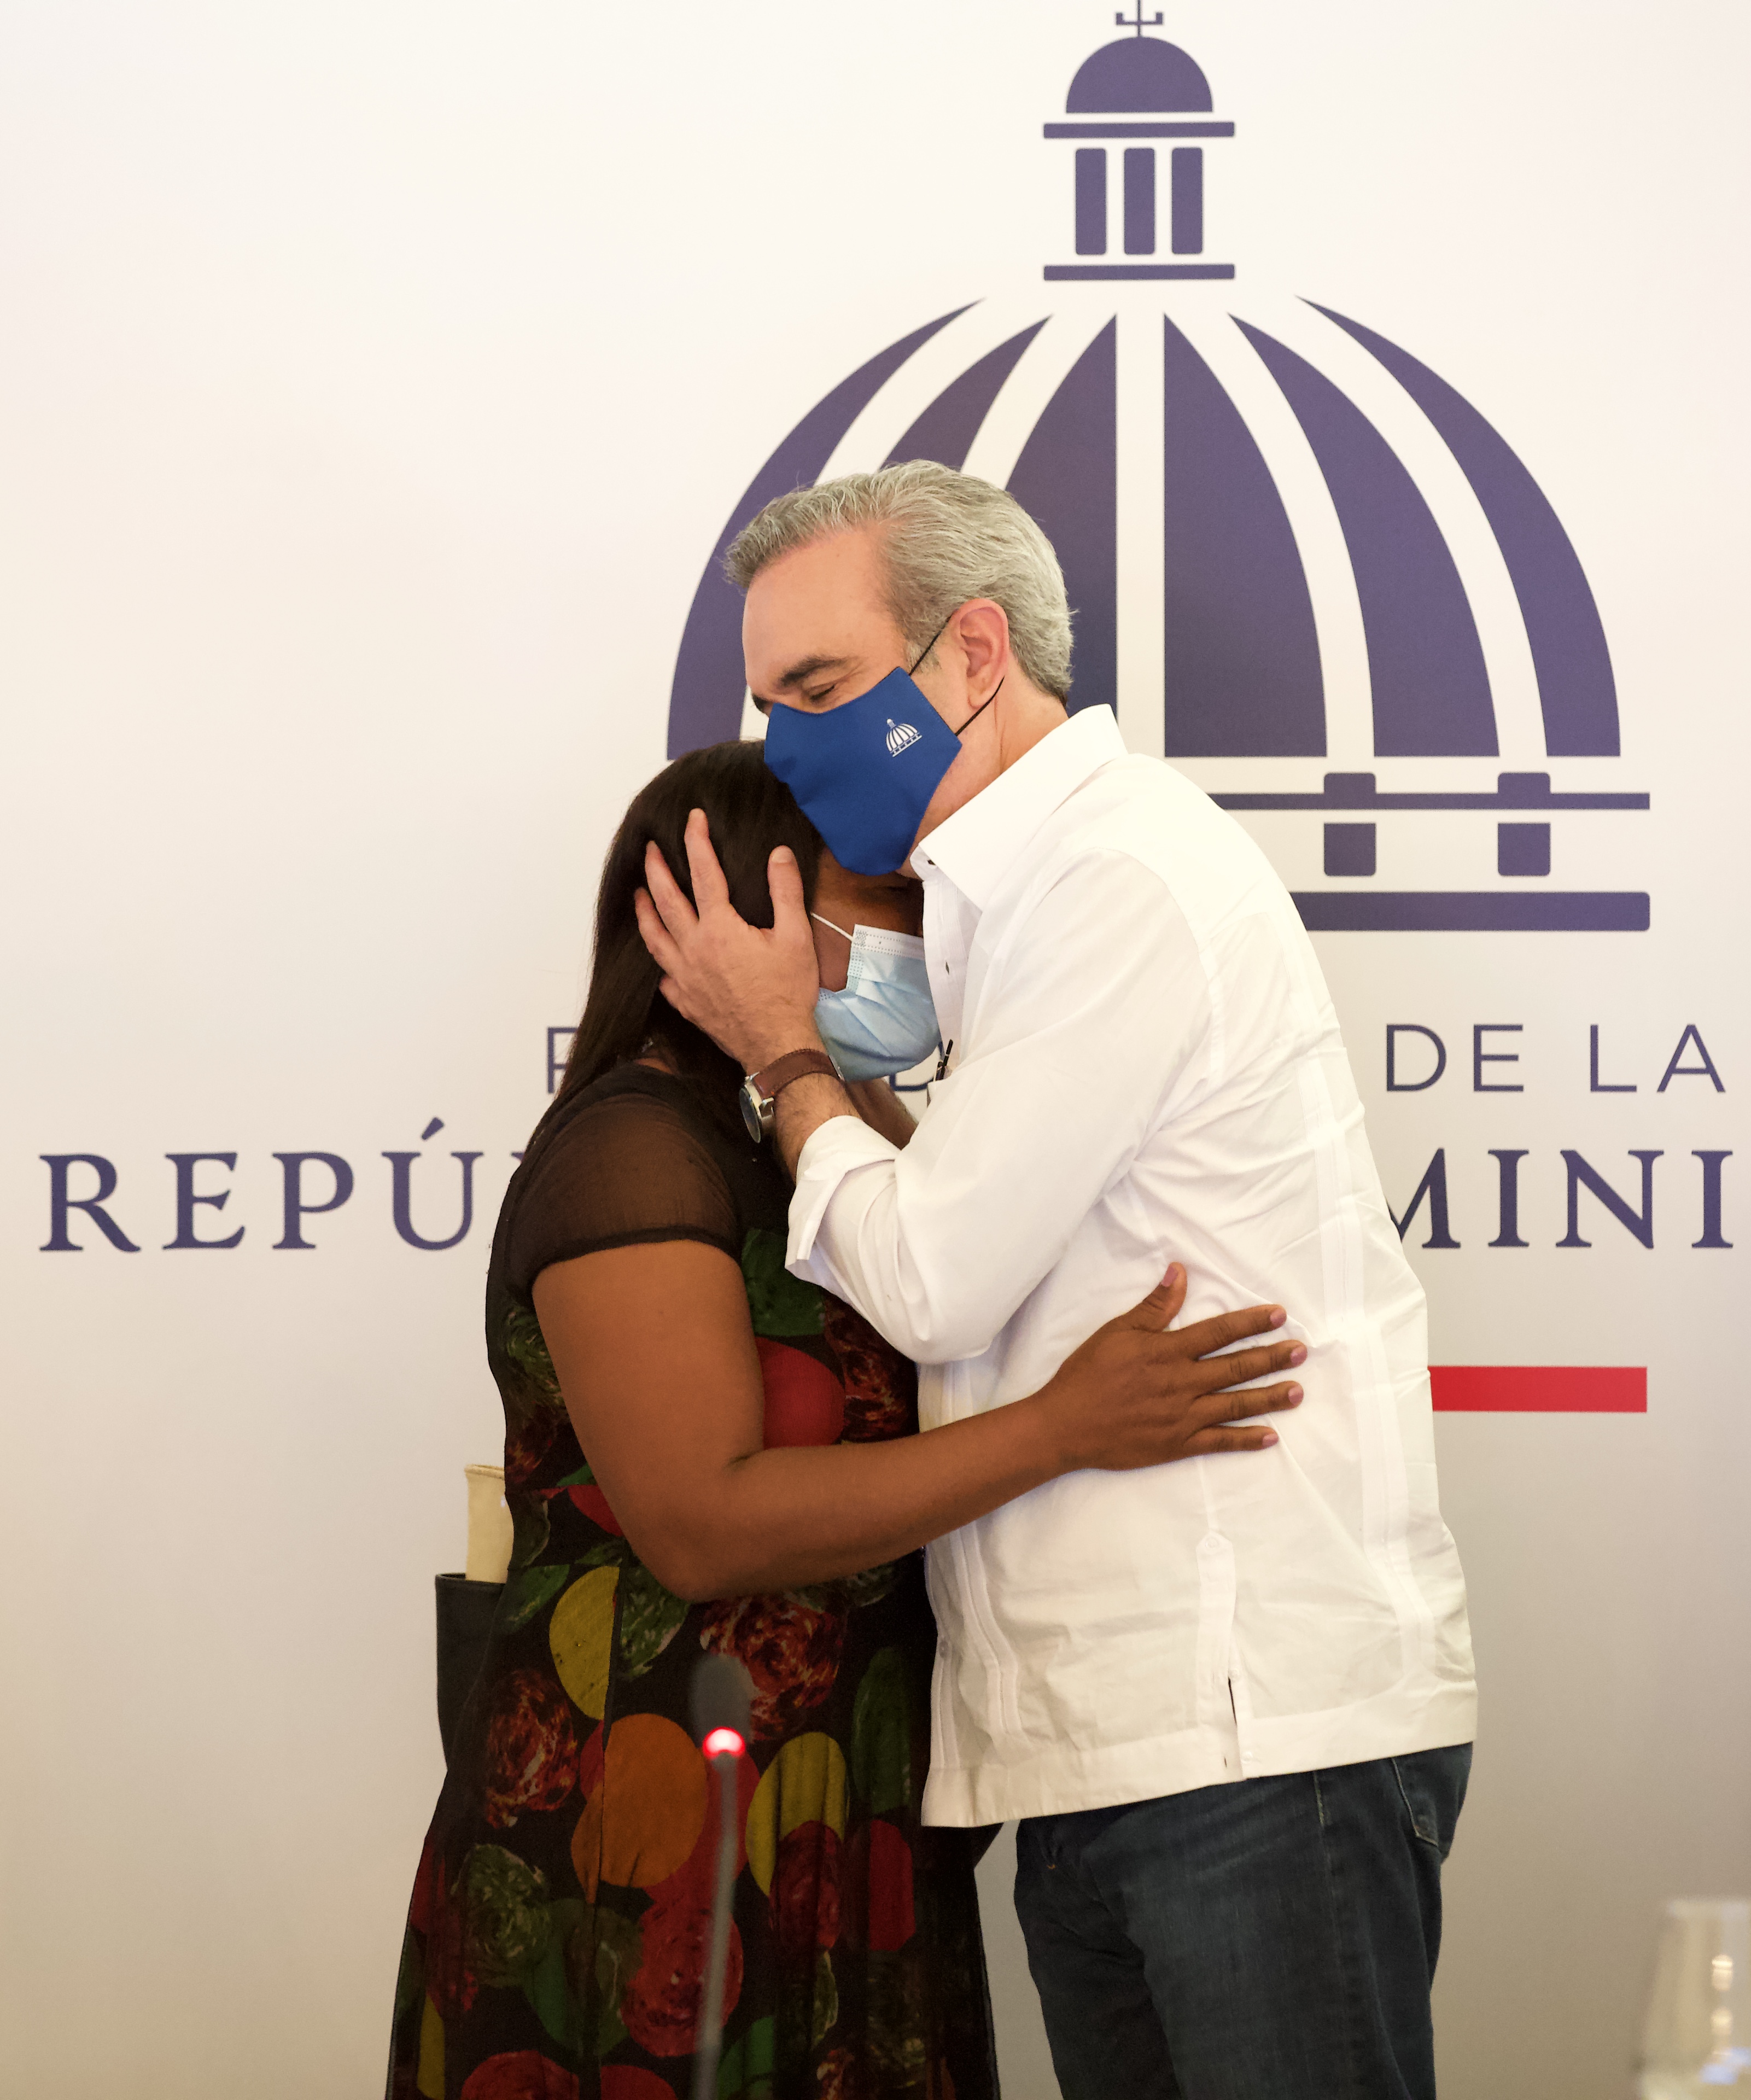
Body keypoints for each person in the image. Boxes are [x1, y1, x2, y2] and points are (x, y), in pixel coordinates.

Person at [637, 462, 1479, 2100]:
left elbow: (937, 1280)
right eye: (767, 705)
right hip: (1102, 1734)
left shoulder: (1113, 878)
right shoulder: (997, 903)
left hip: (1243, 1724)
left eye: (820, 687)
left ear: (971, 654)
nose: (787, 747)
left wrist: (782, 1052)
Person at [386, 739, 1306, 2100]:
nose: (921, 942)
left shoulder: (825, 1135)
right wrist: (1061, 1429)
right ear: (733, 913)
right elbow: (702, 1523)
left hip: (845, 1811)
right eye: (885, 904)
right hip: (661, 1834)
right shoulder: (635, 1148)